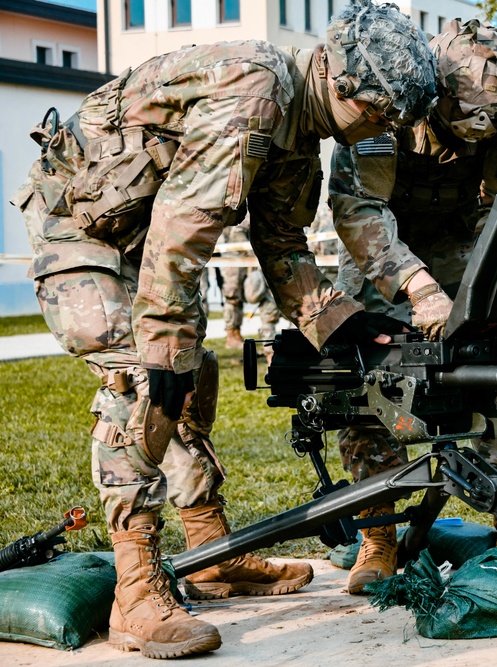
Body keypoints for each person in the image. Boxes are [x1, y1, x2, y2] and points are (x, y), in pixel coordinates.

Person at [14, 1, 436, 658]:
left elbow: (284, 249)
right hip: (79, 227)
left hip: (144, 237)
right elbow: (182, 227)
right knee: (143, 375)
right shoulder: (258, 87)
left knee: (193, 371)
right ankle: (134, 591)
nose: (379, 131)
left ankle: (209, 553)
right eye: (378, 114)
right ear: (340, 81)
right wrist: (160, 345)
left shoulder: (301, 136)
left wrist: (348, 324)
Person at [328, 18, 497, 595]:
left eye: (492, 119)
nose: (479, 131)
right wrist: (418, 288)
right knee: (368, 389)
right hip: (379, 252)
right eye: (466, 115)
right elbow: (359, 211)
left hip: (461, 249)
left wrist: (485, 303)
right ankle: (379, 536)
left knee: (489, 376)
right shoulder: (389, 111)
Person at [218, 219, 281, 349]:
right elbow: (237, 232)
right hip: (234, 252)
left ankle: (267, 340)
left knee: (261, 291)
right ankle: (232, 334)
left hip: (254, 253)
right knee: (233, 293)